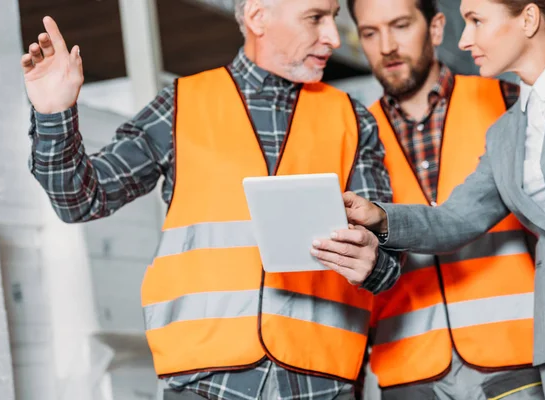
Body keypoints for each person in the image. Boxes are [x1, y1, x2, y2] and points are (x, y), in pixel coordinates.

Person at [21, 1, 402, 399]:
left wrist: (373, 262)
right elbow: (79, 200)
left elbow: (390, 265)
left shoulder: (353, 120)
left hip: (319, 382)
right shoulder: (182, 105)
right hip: (203, 383)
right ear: (257, 16)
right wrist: (55, 114)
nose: (334, 37)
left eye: (333, 17)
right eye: (315, 18)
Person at [312, 0, 545, 398]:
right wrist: (379, 216)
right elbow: (456, 219)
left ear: (528, 19)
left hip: (521, 346)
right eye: (371, 33)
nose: (462, 41)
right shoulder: (507, 133)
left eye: (476, 21)